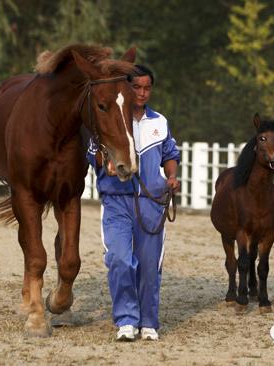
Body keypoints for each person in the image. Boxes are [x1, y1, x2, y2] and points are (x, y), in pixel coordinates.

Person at [87, 64, 180, 341]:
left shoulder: (159, 122)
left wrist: (172, 177)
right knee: (119, 258)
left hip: (151, 202)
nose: (141, 93)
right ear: (126, 88)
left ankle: (149, 321)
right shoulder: (108, 118)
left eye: (146, 87)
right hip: (117, 201)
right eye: (136, 87)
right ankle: (126, 319)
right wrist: (106, 161)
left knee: (150, 264)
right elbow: (93, 156)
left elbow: (170, 154)